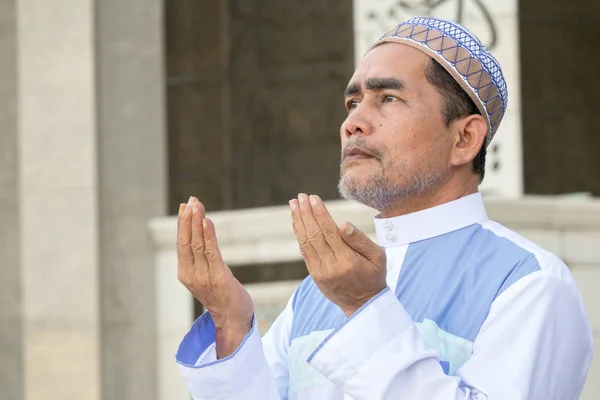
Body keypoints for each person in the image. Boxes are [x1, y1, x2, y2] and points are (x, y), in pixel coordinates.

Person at [174, 17, 593, 400]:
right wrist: (229, 321)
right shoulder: (313, 296)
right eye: (353, 103)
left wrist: (365, 309)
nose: (352, 122)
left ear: (465, 138)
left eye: (388, 98)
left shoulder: (529, 283)